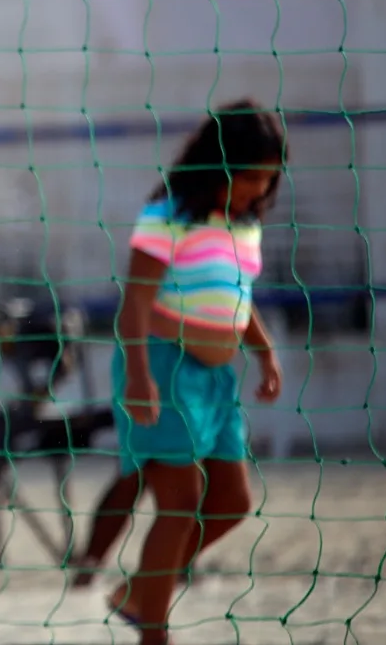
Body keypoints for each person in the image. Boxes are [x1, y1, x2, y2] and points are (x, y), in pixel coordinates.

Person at [106, 99, 287, 644]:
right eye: (251, 177)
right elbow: (135, 302)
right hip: (164, 367)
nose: (259, 189)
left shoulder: (245, 225)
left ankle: (141, 591)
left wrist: (264, 350)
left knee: (232, 502)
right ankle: (152, 629)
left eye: (268, 180)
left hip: (216, 381)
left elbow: (237, 298)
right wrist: (139, 376)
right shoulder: (167, 216)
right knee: (180, 502)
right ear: (219, 166)